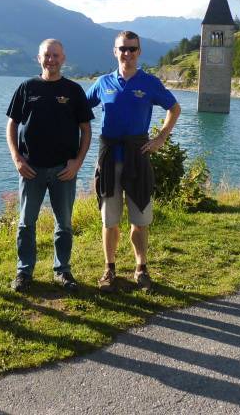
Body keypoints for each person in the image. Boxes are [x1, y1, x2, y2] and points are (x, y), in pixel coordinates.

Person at [86, 30, 181, 293]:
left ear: (139, 52)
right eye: (122, 48)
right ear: (114, 52)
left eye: (132, 48)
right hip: (108, 159)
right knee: (109, 220)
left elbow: (174, 109)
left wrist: (161, 138)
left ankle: (141, 268)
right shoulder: (102, 83)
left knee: (140, 219)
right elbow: (79, 110)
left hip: (137, 157)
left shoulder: (149, 83)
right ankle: (109, 268)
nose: (126, 53)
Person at [6, 39, 94, 292]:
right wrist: (16, 158)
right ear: (39, 58)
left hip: (63, 170)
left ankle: (62, 271)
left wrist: (77, 162)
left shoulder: (74, 90)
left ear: (63, 58)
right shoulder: (27, 87)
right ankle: (24, 272)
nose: (51, 60)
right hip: (30, 168)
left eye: (55, 55)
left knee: (64, 223)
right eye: (47, 55)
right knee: (26, 223)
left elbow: (86, 129)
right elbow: (11, 125)